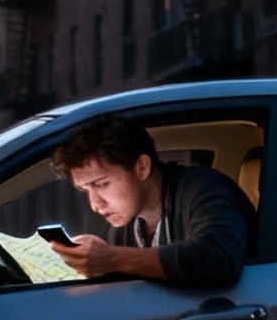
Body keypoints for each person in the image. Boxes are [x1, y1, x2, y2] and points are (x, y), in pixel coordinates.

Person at [47, 115, 257, 289]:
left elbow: (218, 258)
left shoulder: (203, 187)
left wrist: (113, 259)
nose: (95, 204)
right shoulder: (123, 229)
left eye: (101, 184)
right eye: (85, 190)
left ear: (142, 167)